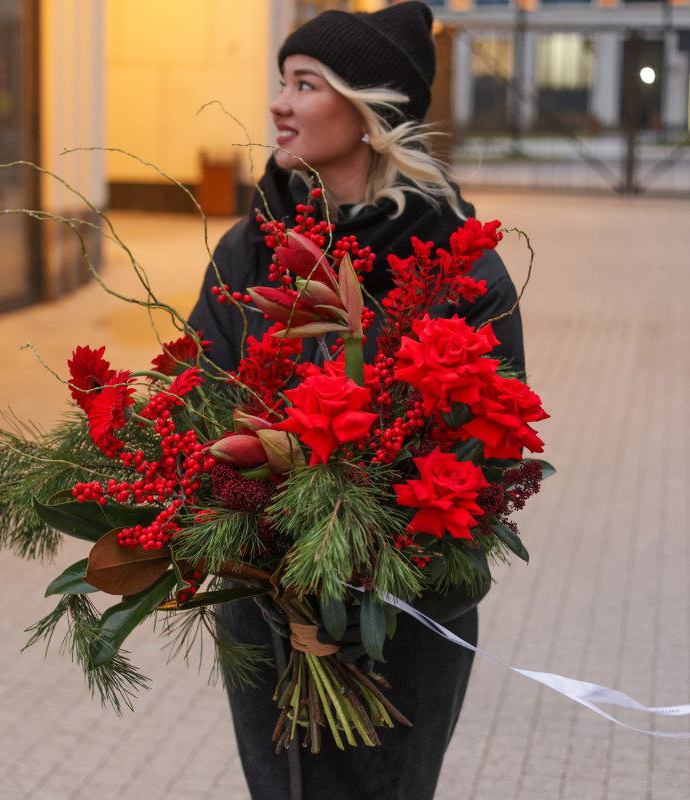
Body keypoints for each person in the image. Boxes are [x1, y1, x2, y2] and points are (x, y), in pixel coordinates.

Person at [188, 3, 525, 798]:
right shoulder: (251, 249)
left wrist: (362, 549)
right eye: (282, 82)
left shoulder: (457, 269)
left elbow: (489, 444)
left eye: (305, 84)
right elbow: (199, 400)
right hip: (267, 605)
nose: (279, 104)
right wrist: (250, 529)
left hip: (402, 607)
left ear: (372, 112)